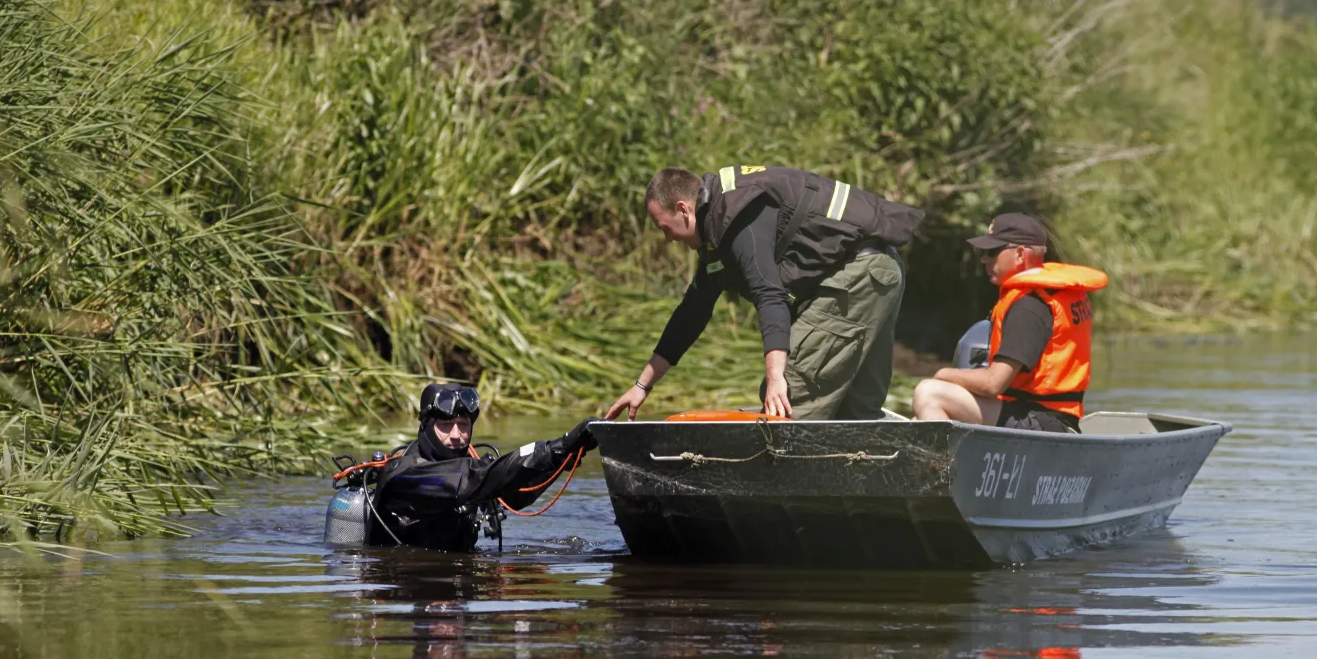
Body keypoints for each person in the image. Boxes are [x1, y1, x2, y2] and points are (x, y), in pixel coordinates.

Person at [604, 165, 924, 421]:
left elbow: (770, 296)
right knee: (854, 413)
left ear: (683, 209)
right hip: (877, 271)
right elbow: (692, 313)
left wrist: (776, 377)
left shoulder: (737, 217)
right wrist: (641, 386)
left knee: (788, 403)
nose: (668, 240)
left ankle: (779, 497)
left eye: (665, 228)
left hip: (859, 275)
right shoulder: (717, 229)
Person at [911, 214, 1108, 432]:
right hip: (1052, 418)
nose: (985, 259)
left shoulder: (1029, 306)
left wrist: (944, 374)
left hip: (1042, 423)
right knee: (920, 416)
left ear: (1020, 254)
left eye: (992, 252)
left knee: (930, 392)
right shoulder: (1053, 294)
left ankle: (943, 466)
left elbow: (994, 384)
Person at [369, 383, 599, 551]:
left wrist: (560, 460)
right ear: (426, 426)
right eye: (446, 425)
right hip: (410, 586)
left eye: (463, 424)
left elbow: (515, 496)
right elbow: (465, 481)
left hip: (461, 591)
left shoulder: (474, 470)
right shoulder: (404, 475)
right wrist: (553, 448)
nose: (457, 435)